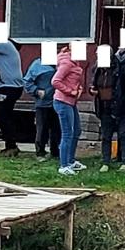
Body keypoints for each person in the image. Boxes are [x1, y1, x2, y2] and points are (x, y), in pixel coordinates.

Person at [92, 53, 125, 172]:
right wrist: (92, 90)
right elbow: (93, 84)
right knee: (106, 136)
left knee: (124, 135)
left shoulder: (121, 68)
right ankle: (105, 162)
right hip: (104, 106)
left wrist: (123, 99)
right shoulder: (97, 70)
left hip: (123, 107)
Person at [51, 45, 86, 175]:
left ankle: (71, 161)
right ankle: (63, 165)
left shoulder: (75, 62)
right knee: (67, 133)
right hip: (62, 101)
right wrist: (70, 91)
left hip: (71, 102)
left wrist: (79, 88)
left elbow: (72, 80)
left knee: (76, 131)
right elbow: (55, 81)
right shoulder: (66, 63)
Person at [25, 56, 57, 159]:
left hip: (58, 102)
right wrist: (36, 91)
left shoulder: (60, 64)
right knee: (42, 128)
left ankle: (55, 152)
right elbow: (27, 82)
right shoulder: (37, 65)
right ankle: (40, 152)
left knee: (57, 129)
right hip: (43, 103)